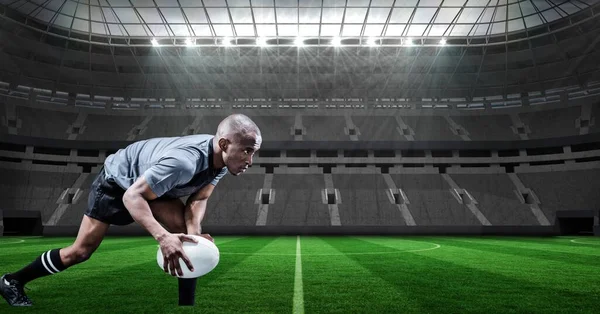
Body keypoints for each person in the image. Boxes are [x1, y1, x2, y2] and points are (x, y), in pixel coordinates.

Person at [0, 113, 262, 307]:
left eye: (254, 153)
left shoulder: (223, 162)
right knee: (79, 252)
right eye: (247, 151)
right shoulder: (183, 162)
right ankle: (13, 280)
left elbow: (198, 199)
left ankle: (186, 306)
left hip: (154, 188)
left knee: (185, 235)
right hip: (118, 184)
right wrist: (162, 237)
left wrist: (194, 234)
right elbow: (132, 196)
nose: (250, 161)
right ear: (225, 144)